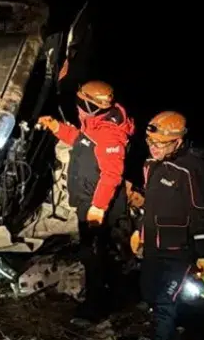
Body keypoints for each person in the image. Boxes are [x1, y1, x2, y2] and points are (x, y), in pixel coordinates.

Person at [36, 80, 135, 325]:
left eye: (81, 102)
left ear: (91, 105)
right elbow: (82, 142)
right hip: (89, 200)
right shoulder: (95, 122)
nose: (77, 105)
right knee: (95, 254)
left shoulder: (109, 132)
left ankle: (95, 310)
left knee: (95, 256)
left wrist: (97, 208)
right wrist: (57, 127)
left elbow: (112, 174)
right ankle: (108, 300)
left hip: (99, 206)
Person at [132, 111, 204, 340]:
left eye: (160, 143)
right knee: (149, 295)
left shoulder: (192, 169)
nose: (154, 147)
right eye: (150, 141)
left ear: (178, 142)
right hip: (153, 247)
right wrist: (140, 232)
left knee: (164, 300)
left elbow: (202, 212)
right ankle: (170, 335)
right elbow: (152, 206)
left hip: (179, 250)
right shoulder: (151, 164)